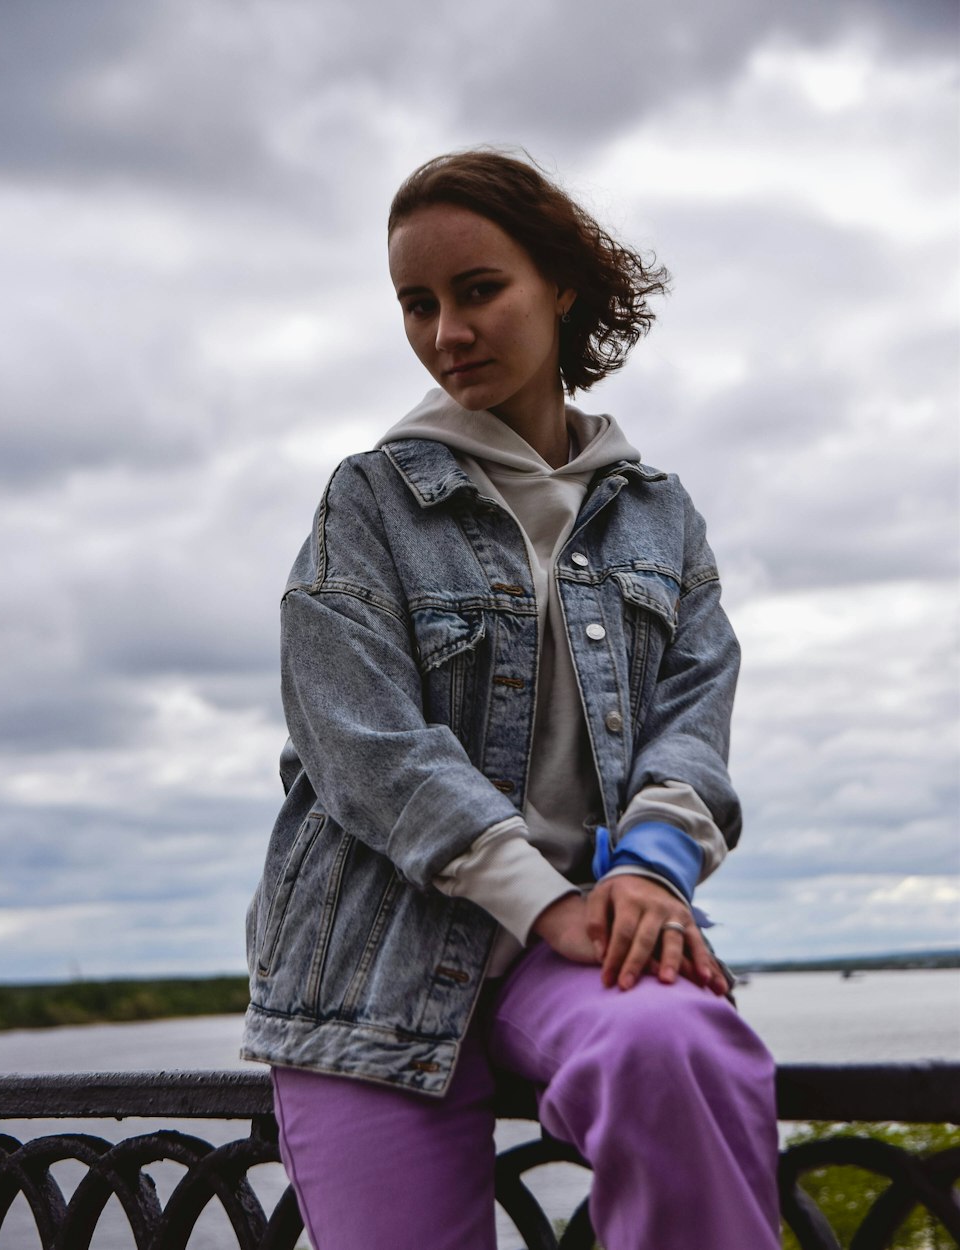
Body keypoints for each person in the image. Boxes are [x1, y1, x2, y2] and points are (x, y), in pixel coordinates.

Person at [242, 149, 780, 1249]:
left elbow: (694, 713)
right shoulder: (368, 502)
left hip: (580, 940)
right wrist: (539, 896)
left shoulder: (658, 516)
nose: (447, 333)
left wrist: (646, 871)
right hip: (372, 966)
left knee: (675, 1048)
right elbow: (363, 744)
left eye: (478, 290)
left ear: (560, 284)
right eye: (418, 304)